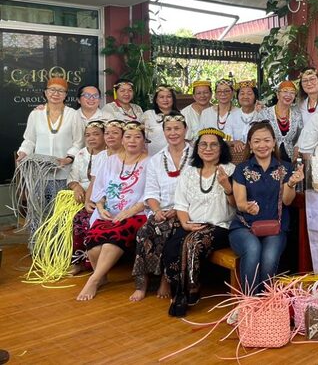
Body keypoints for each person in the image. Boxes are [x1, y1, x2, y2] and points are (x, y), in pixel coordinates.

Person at [163, 128, 235, 317]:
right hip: (191, 222)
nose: (208, 148)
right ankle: (176, 290)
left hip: (220, 226)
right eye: (203, 144)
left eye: (213, 145)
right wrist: (185, 223)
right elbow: (180, 203)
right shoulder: (189, 172)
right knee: (173, 243)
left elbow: (236, 205)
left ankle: (187, 294)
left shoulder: (231, 170)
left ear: (221, 149)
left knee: (193, 243)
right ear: (197, 148)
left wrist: (227, 186)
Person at [77, 121, 149, 301]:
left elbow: (151, 193)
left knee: (110, 243)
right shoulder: (110, 161)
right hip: (109, 212)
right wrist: (100, 207)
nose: (132, 141)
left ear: (143, 141)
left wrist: (130, 211)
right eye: (128, 136)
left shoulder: (150, 162)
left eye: (137, 137)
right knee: (94, 247)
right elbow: (100, 188)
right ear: (122, 140)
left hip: (136, 214)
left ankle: (93, 280)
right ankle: (102, 277)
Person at [229, 121, 304, 295]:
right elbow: (239, 202)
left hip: (275, 228)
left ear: (273, 142)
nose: (262, 145)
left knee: (269, 259)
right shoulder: (242, 169)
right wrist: (247, 207)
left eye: (266, 140)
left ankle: (264, 303)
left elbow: (287, 201)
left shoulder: (285, 168)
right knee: (253, 249)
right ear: (250, 144)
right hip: (244, 227)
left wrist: (291, 183)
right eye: (256, 141)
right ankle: (249, 301)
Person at [130, 112, 191, 302]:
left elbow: (197, 190)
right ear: (164, 132)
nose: (173, 133)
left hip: (186, 211)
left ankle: (166, 278)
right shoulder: (156, 159)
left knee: (168, 232)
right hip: (160, 210)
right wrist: (156, 211)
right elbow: (150, 192)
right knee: (144, 232)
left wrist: (178, 209)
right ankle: (142, 283)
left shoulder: (196, 157)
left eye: (177, 128)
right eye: (169, 129)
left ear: (185, 130)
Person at [17, 77, 83, 234]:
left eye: (60, 91)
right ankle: (38, 244)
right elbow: (29, 140)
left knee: (59, 212)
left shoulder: (72, 115)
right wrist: (23, 152)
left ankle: (59, 247)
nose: (56, 93)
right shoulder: (36, 114)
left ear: (66, 95)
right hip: (39, 173)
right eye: (52, 90)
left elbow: (78, 142)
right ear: (45, 93)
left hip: (63, 172)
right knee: (38, 212)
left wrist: (69, 158)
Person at [67, 120, 106, 273]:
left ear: (104, 135)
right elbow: (72, 178)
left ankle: (92, 264)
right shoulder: (81, 153)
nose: (91, 138)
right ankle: (78, 262)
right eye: (87, 135)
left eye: (96, 134)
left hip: (101, 198)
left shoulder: (109, 154)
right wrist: (76, 187)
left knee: (86, 220)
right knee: (77, 218)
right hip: (82, 196)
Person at [257, 81, 303, 162]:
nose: (288, 95)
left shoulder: (297, 115)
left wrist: (297, 147)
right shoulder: (264, 113)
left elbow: (301, 136)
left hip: (290, 160)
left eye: (292, 93)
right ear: (278, 95)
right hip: (267, 157)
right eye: (285, 91)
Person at [142, 86, 179, 155]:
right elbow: (141, 137)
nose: (165, 100)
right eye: (161, 97)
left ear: (173, 99)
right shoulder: (148, 115)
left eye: (168, 96)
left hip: (175, 156)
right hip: (152, 156)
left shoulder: (180, 116)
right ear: (156, 100)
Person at [228, 80, 259, 154]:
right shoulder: (232, 115)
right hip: (237, 155)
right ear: (237, 97)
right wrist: (235, 142)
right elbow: (226, 139)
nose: (245, 96)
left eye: (249, 93)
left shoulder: (261, 115)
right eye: (242, 94)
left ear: (255, 96)